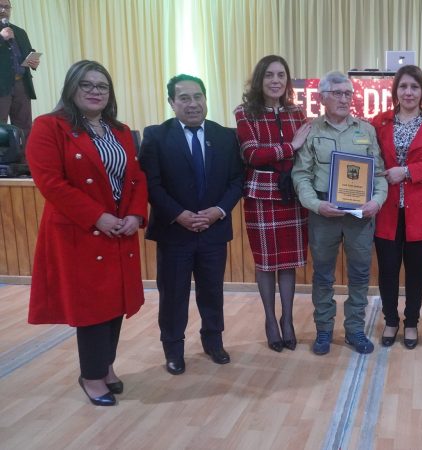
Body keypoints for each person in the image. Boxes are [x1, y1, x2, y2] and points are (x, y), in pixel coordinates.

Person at [27, 60, 148, 406]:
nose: (96, 92)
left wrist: (136, 214)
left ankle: (105, 366)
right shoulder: (49, 127)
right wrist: (98, 217)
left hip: (119, 230)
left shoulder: (120, 130)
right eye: (87, 85)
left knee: (115, 302)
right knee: (92, 307)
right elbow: (50, 183)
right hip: (80, 233)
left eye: (102, 86)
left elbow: (135, 177)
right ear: (71, 89)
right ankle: (91, 376)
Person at [139, 74, 244, 375]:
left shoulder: (225, 136)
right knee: (173, 294)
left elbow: (237, 181)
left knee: (212, 291)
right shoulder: (156, 136)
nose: (193, 103)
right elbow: (152, 184)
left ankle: (213, 341)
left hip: (213, 230)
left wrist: (219, 211)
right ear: (172, 102)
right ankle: (173, 349)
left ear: (206, 99)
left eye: (198, 96)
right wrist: (179, 214)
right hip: (175, 232)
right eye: (184, 98)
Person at [292, 70, 388, 355]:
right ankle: (323, 331)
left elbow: (380, 174)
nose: (345, 99)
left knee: (359, 275)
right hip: (324, 213)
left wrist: (377, 201)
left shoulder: (366, 130)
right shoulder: (311, 131)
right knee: (323, 275)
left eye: (348, 93)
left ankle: (355, 331)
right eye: (338, 93)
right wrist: (316, 204)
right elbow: (301, 175)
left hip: (361, 215)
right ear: (323, 97)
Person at [234, 55, 312, 352]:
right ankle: (270, 320)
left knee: (289, 262)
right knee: (266, 263)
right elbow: (252, 155)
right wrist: (290, 147)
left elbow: (304, 156)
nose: (276, 81)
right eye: (269, 75)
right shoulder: (244, 113)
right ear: (259, 80)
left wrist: (290, 152)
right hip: (260, 195)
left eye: (281, 75)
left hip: (292, 193)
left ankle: (288, 319)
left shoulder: (296, 113)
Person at [371, 65, 422, 349]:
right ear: (395, 91)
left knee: (416, 269)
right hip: (386, 208)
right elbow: (368, 159)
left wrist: (405, 171)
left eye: (414, 87)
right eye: (403, 86)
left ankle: (412, 322)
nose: (408, 92)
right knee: (388, 269)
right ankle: (391, 320)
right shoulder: (378, 122)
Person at [0, 0, 39, 139]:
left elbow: (28, 51)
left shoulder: (19, 32)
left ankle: (24, 159)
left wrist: (33, 61)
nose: (3, 10)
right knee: (1, 126)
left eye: (6, 7)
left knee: (24, 125)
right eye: (0, 7)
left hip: (22, 83)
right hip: (2, 86)